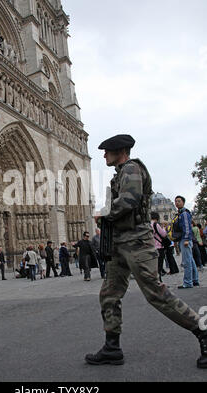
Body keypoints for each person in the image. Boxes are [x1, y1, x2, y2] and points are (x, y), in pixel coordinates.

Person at [85, 134, 207, 369]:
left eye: (107, 151)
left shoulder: (131, 169)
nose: (103, 155)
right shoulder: (120, 173)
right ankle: (112, 348)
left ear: (119, 151)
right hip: (120, 242)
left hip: (136, 241)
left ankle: (203, 332)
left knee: (156, 293)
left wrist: (104, 213)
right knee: (109, 294)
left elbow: (130, 200)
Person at [174, 197, 199, 289]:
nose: (177, 203)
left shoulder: (183, 214)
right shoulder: (183, 213)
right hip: (185, 239)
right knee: (190, 260)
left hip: (185, 239)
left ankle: (188, 282)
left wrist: (187, 239)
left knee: (187, 261)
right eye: (176, 201)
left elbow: (187, 227)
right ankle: (195, 280)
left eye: (179, 201)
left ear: (183, 202)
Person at [151, 212, 168, 282]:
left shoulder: (147, 225)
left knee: (153, 267)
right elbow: (164, 234)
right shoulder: (155, 224)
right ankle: (159, 281)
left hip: (151, 248)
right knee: (159, 266)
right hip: (159, 247)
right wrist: (163, 228)